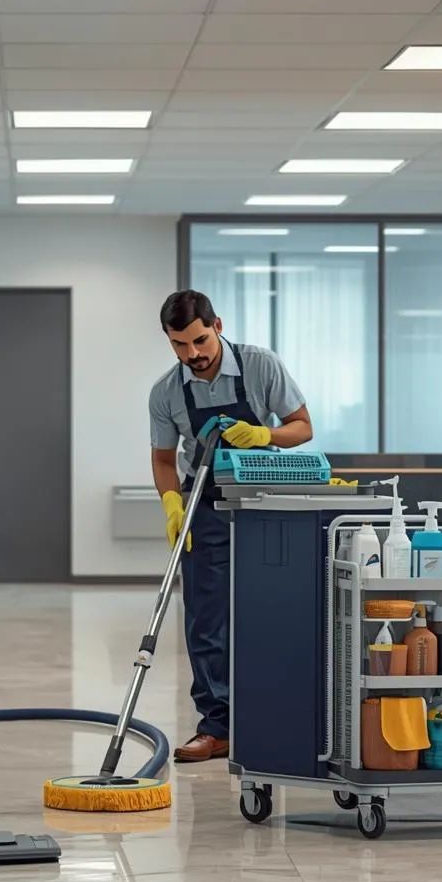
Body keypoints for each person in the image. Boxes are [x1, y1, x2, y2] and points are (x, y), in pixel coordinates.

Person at [148, 290, 312, 763]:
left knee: (276, 609)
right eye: (179, 345)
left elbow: (302, 426)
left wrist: (265, 433)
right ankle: (217, 727)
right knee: (206, 618)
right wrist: (172, 505)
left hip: (267, 498)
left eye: (199, 340)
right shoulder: (166, 391)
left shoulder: (260, 364)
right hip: (204, 500)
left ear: (217, 325)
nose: (192, 354)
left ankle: (280, 715)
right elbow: (163, 459)